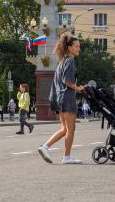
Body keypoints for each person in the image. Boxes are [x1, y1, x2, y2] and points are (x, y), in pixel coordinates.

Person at [38, 34, 84, 164]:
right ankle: (66, 157)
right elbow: (67, 81)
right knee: (71, 129)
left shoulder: (62, 61)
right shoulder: (70, 61)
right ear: (69, 48)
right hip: (67, 98)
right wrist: (79, 88)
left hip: (58, 97)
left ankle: (45, 147)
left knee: (64, 129)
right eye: (76, 46)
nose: (79, 48)